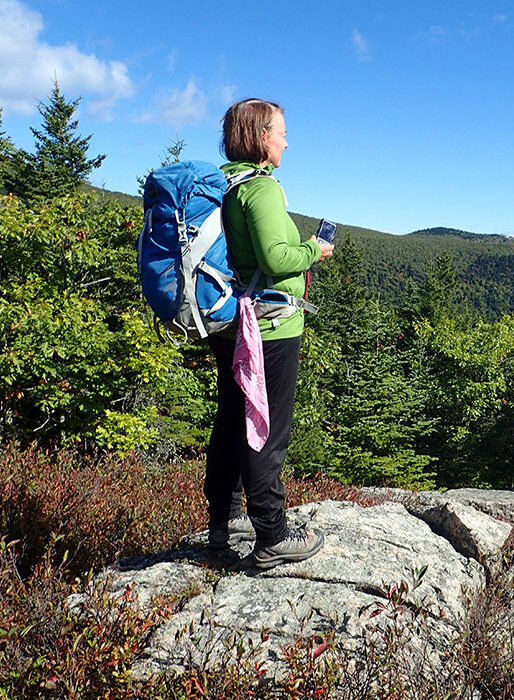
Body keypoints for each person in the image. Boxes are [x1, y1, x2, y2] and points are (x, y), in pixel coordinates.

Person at [205, 98, 334, 568]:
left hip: (234, 323)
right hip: (271, 328)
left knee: (231, 419)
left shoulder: (226, 183)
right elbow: (277, 259)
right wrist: (313, 250)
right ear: (261, 137)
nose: (286, 140)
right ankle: (273, 536)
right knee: (266, 427)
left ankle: (225, 519)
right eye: (281, 131)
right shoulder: (261, 190)